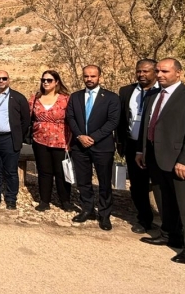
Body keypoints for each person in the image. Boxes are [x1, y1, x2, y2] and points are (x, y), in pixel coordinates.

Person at [137, 58, 185, 264]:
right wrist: (141, 151)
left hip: (179, 160)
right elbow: (147, 125)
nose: (159, 75)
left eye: (165, 71)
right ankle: (169, 234)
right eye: (158, 71)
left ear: (178, 73)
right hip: (155, 157)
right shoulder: (153, 95)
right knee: (163, 198)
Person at [65, 65, 121, 231]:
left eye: (93, 76)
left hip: (102, 146)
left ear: (99, 77)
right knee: (83, 181)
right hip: (80, 146)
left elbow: (113, 121)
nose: (89, 79)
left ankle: (104, 214)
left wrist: (94, 137)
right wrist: (79, 136)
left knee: (104, 182)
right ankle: (87, 209)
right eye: (86, 76)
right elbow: (70, 117)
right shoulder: (75, 97)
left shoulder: (111, 97)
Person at [117, 59, 163, 233]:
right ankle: (144, 219)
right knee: (137, 184)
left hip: (155, 145)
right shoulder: (126, 91)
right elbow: (122, 119)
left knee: (159, 184)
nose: (141, 74)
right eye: (139, 71)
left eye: (146, 71)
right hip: (132, 143)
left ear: (155, 72)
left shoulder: (162, 91)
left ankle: (169, 223)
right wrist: (120, 142)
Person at [0, 70, 31, 209]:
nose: (1, 81)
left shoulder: (18, 97)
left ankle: (11, 198)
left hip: (9, 138)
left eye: (4, 78)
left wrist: (17, 134)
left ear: (9, 80)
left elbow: (26, 120)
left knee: (11, 170)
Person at [29, 70, 73, 211]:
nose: (46, 82)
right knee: (44, 171)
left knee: (61, 172)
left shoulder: (66, 99)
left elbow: (72, 120)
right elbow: (28, 117)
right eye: (43, 80)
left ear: (56, 82)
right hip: (39, 140)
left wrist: (70, 142)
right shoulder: (35, 98)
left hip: (61, 140)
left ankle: (65, 201)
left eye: (49, 80)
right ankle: (44, 201)